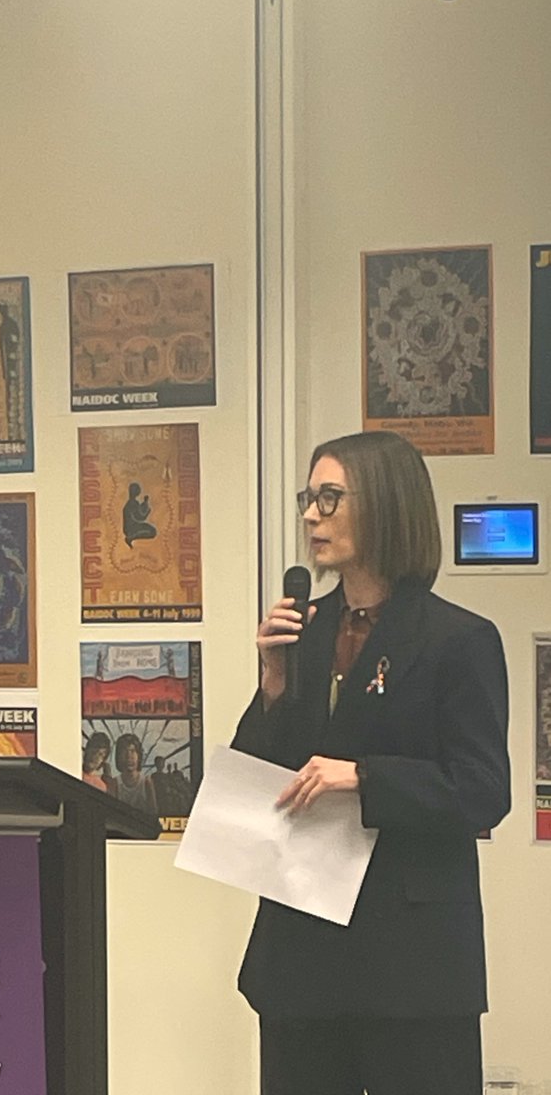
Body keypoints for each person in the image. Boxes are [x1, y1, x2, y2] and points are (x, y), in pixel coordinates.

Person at [232, 430, 510, 1095]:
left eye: (329, 497)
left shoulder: (458, 639)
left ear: (385, 504)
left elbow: (482, 790)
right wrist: (272, 685)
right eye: (308, 497)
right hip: (302, 952)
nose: (309, 515)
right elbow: (262, 776)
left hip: (410, 961)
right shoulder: (302, 631)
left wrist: (363, 777)